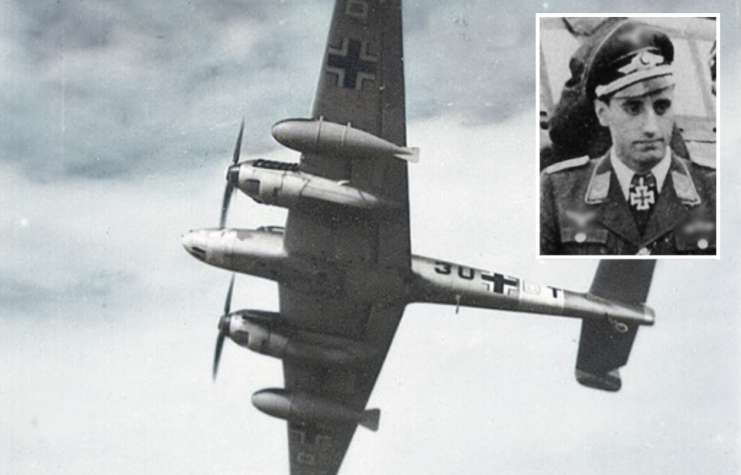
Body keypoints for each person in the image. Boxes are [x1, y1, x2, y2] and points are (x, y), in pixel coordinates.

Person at [540, 20, 716, 256]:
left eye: (662, 106)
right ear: (601, 112)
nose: (651, 128)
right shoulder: (557, 190)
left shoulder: (716, 189)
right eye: (633, 108)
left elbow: (561, 128)